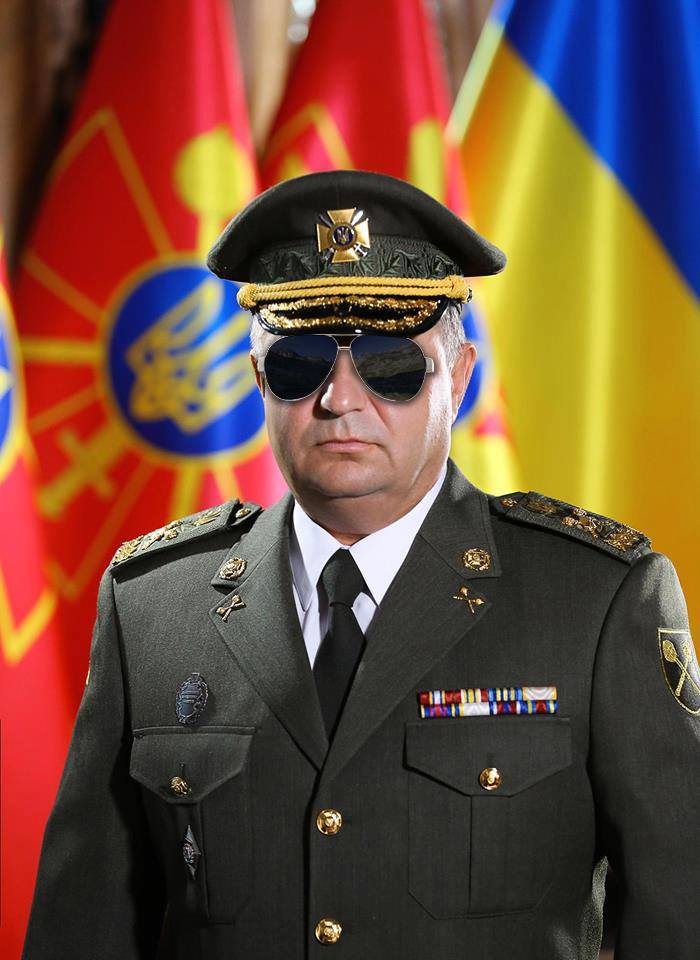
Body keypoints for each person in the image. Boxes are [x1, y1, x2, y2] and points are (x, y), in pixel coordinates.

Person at [22, 170, 699, 960]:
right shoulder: (153, 608)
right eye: (299, 364)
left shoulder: (595, 601)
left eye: (390, 367)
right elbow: (80, 933)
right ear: (258, 380)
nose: (340, 400)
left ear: (459, 378)